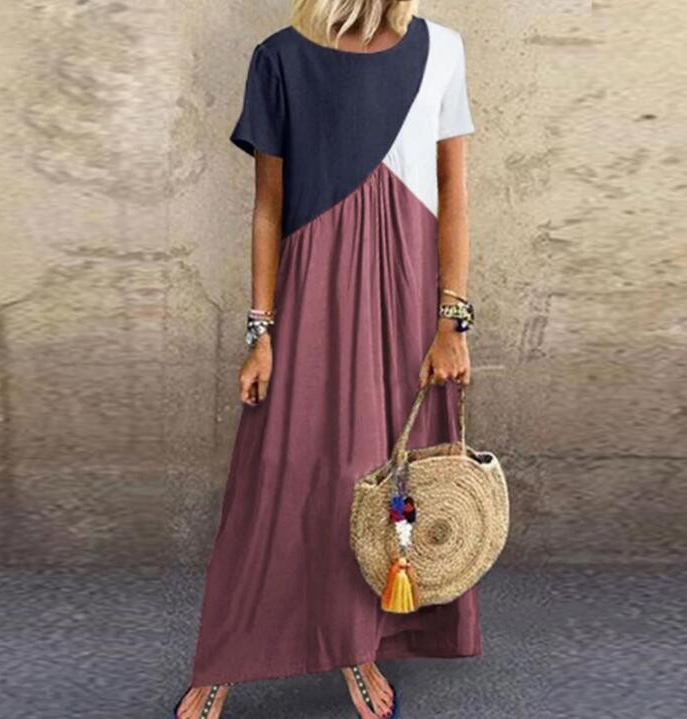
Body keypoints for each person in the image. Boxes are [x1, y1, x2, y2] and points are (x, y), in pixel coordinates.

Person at [171, 1, 481, 717]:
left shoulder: (443, 49)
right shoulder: (279, 57)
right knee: (278, 474)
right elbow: (268, 206)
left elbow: (454, 189)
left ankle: (355, 645)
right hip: (311, 290)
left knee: (383, 476)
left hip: (408, 296)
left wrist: (452, 320)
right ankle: (225, 655)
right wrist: (261, 331)